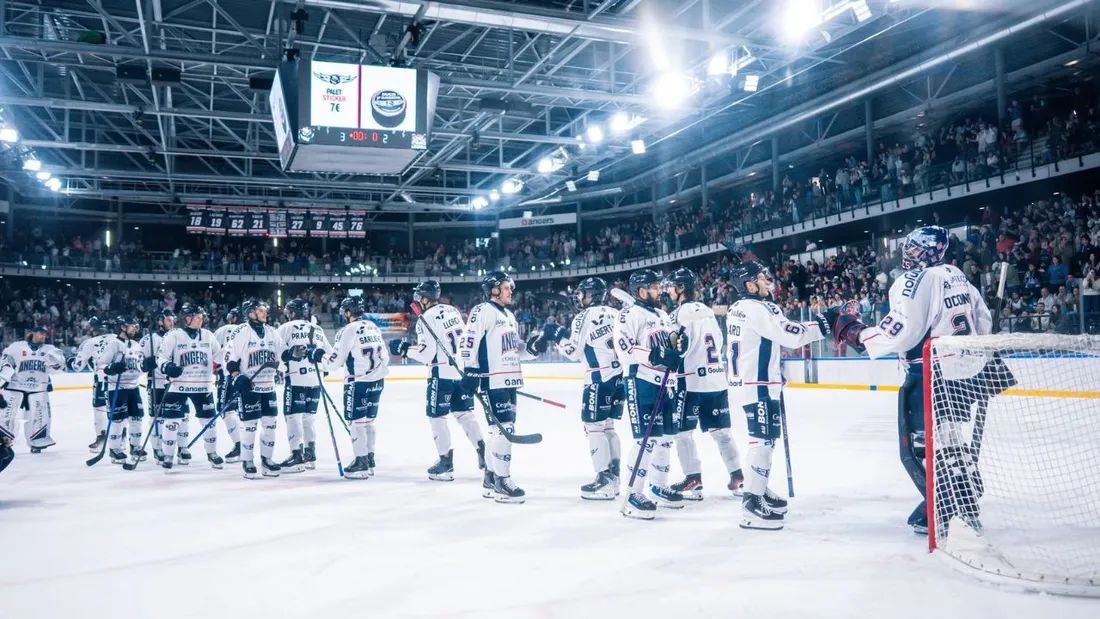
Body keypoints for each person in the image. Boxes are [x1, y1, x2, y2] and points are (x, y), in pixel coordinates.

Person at [832, 226, 996, 534]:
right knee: (949, 437)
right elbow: (984, 321)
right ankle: (966, 499)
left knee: (916, 448)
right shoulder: (958, 276)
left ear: (927, 251)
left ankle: (943, 506)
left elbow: (901, 330)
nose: (907, 254)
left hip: (929, 374)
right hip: (962, 373)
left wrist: (855, 332)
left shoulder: (915, 279)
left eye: (913, 248)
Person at [727, 261, 828, 530]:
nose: (767, 282)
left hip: (753, 382)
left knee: (765, 442)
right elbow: (790, 336)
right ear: (749, 285)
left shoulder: (738, 307)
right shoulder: (757, 308)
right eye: (761, 278)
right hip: (757, 384)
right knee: (762, 442)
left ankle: (757, 488)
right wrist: (823, 324)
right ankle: (751, 502)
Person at [536, 276, 625, 500]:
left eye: (582, 293)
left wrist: (557, 335)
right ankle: (614, 479)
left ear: (590, 295)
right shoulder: (616, 313)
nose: (579, 297)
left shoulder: (583, 316)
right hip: (619, 377)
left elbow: (573, 351)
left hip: (598, 378)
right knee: (608, 427)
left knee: (594, 428)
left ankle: (604, 480)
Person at [664, 268, 744, 500]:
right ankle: (737, 476)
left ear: (681, 288)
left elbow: (678, 347)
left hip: (690, 382)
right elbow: (718, 341)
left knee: (683, 434)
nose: (669, 290)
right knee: (722, 433)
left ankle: (693, 479)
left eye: (672, 286)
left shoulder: (677, 314)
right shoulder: (708, 311)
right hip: (717, 380)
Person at [613, 269, 687, 520]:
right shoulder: (628, 314)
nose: (659, 290)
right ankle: (633, 494)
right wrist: (655, 354)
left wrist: (678, 345)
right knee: (645, 440)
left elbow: (670, 345)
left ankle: (657, 486)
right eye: (654, 287)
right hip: (641, 380)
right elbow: (624, 348)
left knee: (665, 438)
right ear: (642, 291)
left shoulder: (662, 315)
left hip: (665, 382)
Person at [394, 280, 486, 482]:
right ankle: (484, 453)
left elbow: (426, 354)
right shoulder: (452, 310)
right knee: (465, 414)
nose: (418, 299)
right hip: (460, 372)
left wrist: (406, 350)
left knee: (437, 417)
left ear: (425, 298)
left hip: (440, 374)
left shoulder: (425, 319)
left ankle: (445, 463)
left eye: (420, 296)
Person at [461, 271, 531, 503]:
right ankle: (502, 481)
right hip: (493, 380)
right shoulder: (482, 310)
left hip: (510, 379)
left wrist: (531, 349)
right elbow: (469, 340)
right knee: (503, 430)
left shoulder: (509, 315)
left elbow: (513, 348)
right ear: (493, 290)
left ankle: (490, 479)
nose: (511, 291)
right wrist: (471, 370)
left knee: (498, 431)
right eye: (506, 287)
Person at [223, 299, 288, 479]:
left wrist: (292, 354)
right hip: (249, 387)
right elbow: (229, 358)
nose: (264, 312)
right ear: (251, 313)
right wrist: (237, 375)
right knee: (250, 426)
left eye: (264, 310)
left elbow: (282, 352)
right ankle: (247, 460)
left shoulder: (271, 331)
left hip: (268, 386)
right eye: (260, 310)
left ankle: (267, 460)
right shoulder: (242, 332)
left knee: (270, 425)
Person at [155, 303, 223, 470]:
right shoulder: (174, 335)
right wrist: (167, 367)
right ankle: (168, 455)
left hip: (203, 386)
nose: (201, 320)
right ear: (186, 319)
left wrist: (223, 369)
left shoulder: (208, 335)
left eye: (201, 317)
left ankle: (212, 453)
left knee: (209, 422)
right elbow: (161, 357)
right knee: (171, 422)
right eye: (197, 317)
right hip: (178, 385)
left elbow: (219, 357)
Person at [327, 296, 388, 479]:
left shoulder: (348, 330)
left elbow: (335, 362)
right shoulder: (373, 326)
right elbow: (385, 356)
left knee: (357, 423)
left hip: (358, 383)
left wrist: (319, 356)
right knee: (369, 421)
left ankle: (361, 463)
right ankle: (369, 459)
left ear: (348, 312)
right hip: (377, 381)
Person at [276, 299, 331, 473]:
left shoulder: (286, 328)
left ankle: (297, 456)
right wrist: (324, 370)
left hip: (296, 379)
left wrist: (279, 368)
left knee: (293, 417)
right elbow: (329, 355)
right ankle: (310, 455)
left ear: (292, 313)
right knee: (309, 418)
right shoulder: (317, 329)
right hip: (316, 380)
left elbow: (277, 353)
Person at [0, 326, 66, 455]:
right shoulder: (17, 347)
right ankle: (4, 439)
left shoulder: (50, 349)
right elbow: (5, 362)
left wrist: (55, 363)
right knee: (7, 414)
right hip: (15, 386)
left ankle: (37, 441)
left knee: (39, 416)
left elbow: (59, 368)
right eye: (41, 333)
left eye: (45, 334)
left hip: (38, 388)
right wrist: (4, 376)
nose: (43, 336)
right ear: (33, 333)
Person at [95, 317, 149, 464]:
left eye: (136, 327)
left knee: (136, 418)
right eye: (132, 326)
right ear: (123, 327)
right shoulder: (113, 344)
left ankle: (135, 447)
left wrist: (146, 366)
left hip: (133, 387)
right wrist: (110, 369)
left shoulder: (136, 345)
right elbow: (100, 366)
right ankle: (115, 449)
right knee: (118, 420)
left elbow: (139, 366)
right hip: (116, 388)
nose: (135, 329)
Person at [71, 317, 115, 452]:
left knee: (99, 408)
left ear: (93, 328)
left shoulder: (90, 342)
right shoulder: (118, 338)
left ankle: (101, 438)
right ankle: (121, 438)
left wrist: (69, 362)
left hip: (101, 379)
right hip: (120, 379)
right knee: (119, 408)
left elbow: (77, 366)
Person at [141, 308, 177, 463]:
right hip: (156, 382)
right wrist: (146, 363)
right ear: (160, 322)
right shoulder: (149, 339)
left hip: (174, 383)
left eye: (173, 320)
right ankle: (157, 449)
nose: (172, 322)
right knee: (157, 418)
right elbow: (140, 361)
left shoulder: (178, 336)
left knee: (176, 418)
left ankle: (179, 448)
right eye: (168, 320)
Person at [213, 307, 243, 462]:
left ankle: (239, 446)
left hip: (228, 375)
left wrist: (216, 368)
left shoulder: (223, 330)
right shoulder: (248, 330)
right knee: (244, 412)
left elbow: (215, 354)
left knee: (226, 410)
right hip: (247, 377)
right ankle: (246, 446)